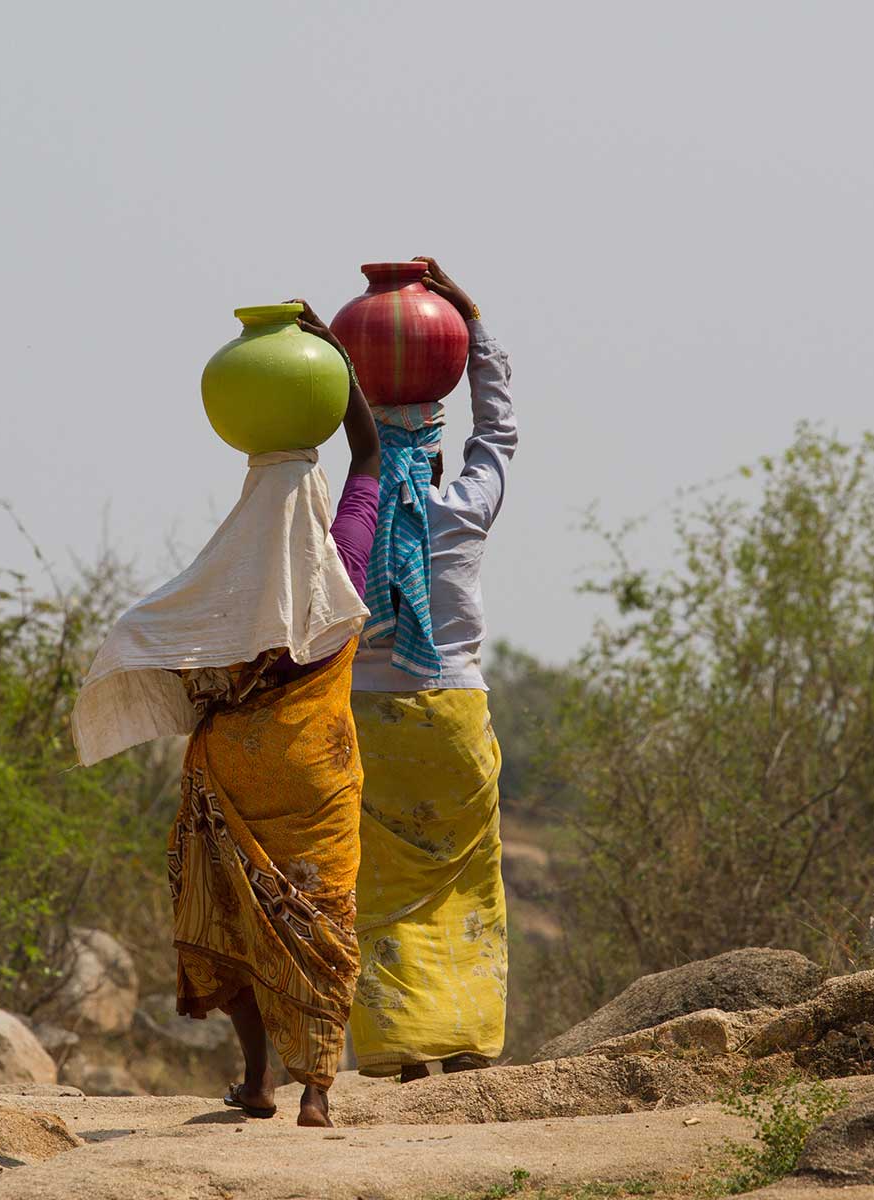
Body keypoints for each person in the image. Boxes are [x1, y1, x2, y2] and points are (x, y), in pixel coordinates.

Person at [71, 300, 380, 1127]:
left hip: (233, 772)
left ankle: (257, 1083)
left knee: (237, 914)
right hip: (317, 771)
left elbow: (146, 628)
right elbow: (371, 454)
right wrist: (336, 353)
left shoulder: (223, 583)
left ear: (248, 502)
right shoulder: (342, 561)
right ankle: (317, 1087)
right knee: (322, 916)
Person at [347, 257, 516, 1082]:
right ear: (441, 456)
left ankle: (405, 1054)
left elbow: (331, 455)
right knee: (467, 878)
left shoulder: (350, 516)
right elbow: (500, 432)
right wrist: (471, 320)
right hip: (453, 711)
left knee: (383, 887)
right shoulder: (466, 505)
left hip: (367, 718)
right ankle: (469, 1049)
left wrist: (328, 361)